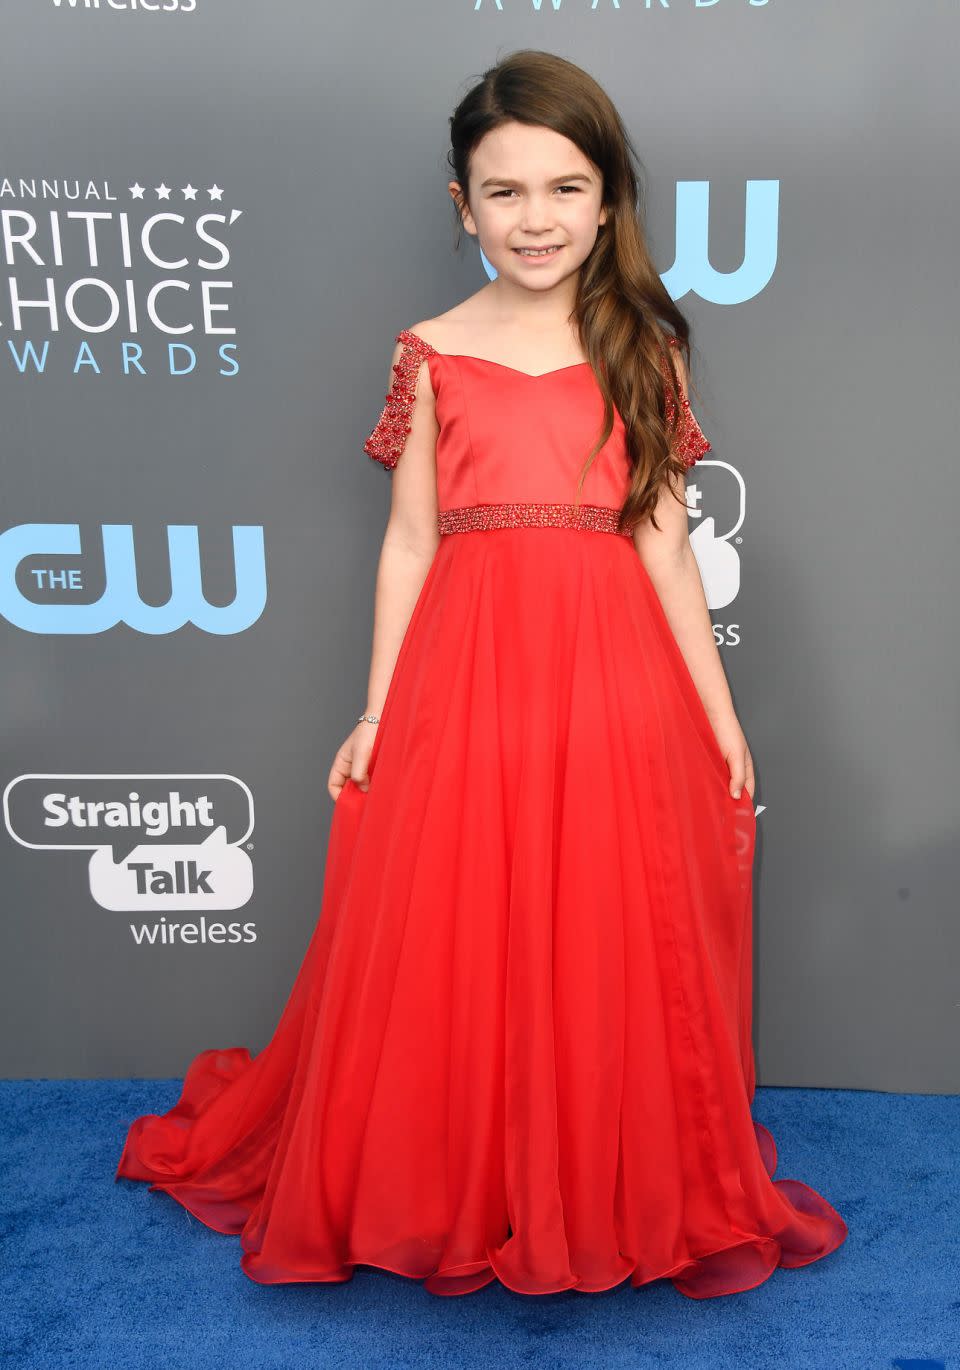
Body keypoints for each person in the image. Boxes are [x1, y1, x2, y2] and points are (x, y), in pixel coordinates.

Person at [115, 48, 847, 1299]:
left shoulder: (646, 340)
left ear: (607, 198)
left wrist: (723, 718)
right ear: (462, 205)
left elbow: (666, 543)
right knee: (468, 931)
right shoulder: (430, 350)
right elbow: (409, 541)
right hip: (470, 674)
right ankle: (471, 1180)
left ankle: (597, 1180)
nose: (537, 218)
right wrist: (376, 710)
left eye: (565, 188)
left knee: (608, 933)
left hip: (617, 681)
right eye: (504, 192)